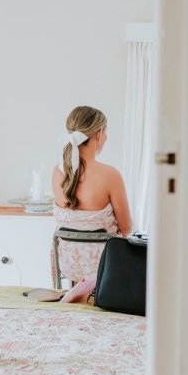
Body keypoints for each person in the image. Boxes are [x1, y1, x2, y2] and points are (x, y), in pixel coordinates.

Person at [51, 105, 132, 289]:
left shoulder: (57, 172)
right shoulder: (110, 175)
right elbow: (126, 228)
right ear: (100, 134)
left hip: (69, 265)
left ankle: (77, 292)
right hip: (104, 268)